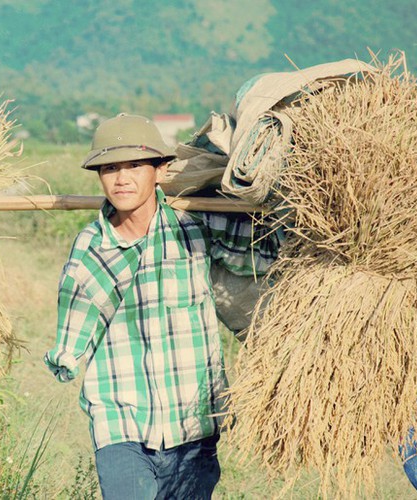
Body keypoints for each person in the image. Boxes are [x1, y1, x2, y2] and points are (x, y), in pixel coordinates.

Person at [43, 113, 283, 499]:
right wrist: (66, 357)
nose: (121, 179)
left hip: (193, 419)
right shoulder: (93, 245)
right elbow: (77, 314)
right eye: (109, 168)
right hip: (120, 417)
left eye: (135, 166)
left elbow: (258, 253)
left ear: (161, 169)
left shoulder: (195, 225)